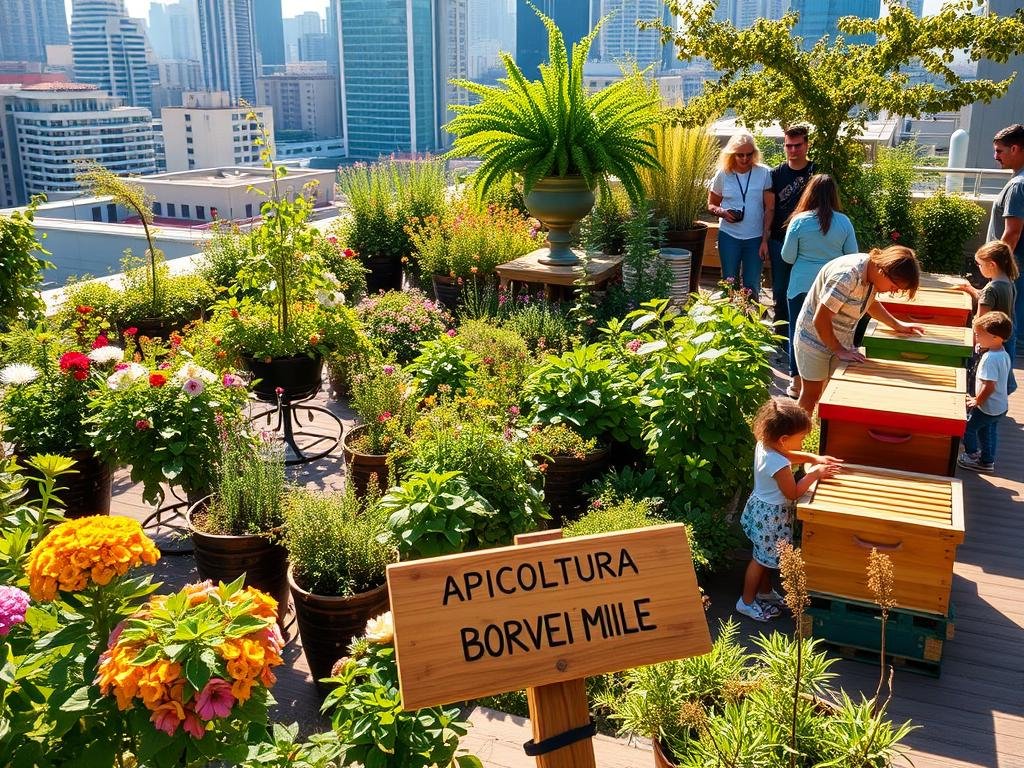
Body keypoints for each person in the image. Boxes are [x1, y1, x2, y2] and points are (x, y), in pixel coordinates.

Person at [737, 397, 841, 623]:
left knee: (763, 557)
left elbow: (786, 455)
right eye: (802, 438)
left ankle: (764, 593)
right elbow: (792, 493)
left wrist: (813, 457)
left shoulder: (766, 445)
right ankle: (745, 603)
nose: (803, 442)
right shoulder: (778, 463)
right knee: (760, 560)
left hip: (760, 510)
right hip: (772, 518)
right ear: (784, 439)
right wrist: (814, 473)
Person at [793, 246, 924, 415]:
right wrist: (838, 349)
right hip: (813, 340)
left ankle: (824, 437)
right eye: (894, 287)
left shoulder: (871, 273)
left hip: (840, 341)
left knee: (833, 395)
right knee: (811, 395)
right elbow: (821, 318)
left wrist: (897, 325)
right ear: (884, 270)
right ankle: (793, 438)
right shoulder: (847, 276)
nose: (894, 292)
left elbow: (869, 303)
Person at [780, 174, 858, 399]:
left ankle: (796, 384)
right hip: (833, 288)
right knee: (831, 331)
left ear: (809, 193)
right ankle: (826, 385)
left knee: (798, 331)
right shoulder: (844, 222)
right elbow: (852, 256)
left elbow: (787, 256)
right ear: (834, 194)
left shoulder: (799, 221)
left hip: (801, 284)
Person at [766, 125, 816, 347]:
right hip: (779, 239)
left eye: (797, 145)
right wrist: (764, 239)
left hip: (808, 242)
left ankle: (805, 332)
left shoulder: (816, 172)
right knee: (779, 287)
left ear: (806, 145)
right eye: (788, 145)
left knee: (806, 288)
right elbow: (769, 209)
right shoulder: (775, 174)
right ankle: (781, 333)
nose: (793, 150)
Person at [708, 132, 773, 297]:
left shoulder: (764, 173)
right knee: (729, 283)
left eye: (749, 154)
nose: (744, 159)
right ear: (731, 154)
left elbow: (770, 208)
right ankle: (728, 320)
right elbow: (711, 204)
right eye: (740, 155)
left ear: (755, 153)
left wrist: (765, 240)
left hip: (755, 237)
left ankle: (750, 321)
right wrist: (722, 212)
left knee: (752, 286)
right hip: (729, 236)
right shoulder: (723, 174)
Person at [955, 240, 1019, 393]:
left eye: (980, 264)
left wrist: (972, 346)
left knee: (983, 377)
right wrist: (970, 289)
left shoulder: (991, 289)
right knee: (1003, 371)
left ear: (992, 265)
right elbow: (986, 296)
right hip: (1005, 338)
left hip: (987, 342)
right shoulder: (1008, 283)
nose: (979, 268)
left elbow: (980, 321)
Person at [958, 311, 1013, 474]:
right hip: (1000, 406)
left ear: (995, 338)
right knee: (988, 430)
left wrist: (977, 401)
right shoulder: (1003, 353)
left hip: (986, 406)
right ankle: (988, 459)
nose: (976, 337)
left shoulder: (990, 358)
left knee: (967, 428)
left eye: (979, 335)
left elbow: (989, 386)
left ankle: (972, 455)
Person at [988, 124, 1024, 355]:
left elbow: (1012, 232)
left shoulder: (1018, 185)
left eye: (999, 151)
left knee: (1005, 326)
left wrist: (997, 268)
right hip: (1016, 267)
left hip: (1011, 268)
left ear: (1015, 148)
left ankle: (1001, 385)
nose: (995, 157)